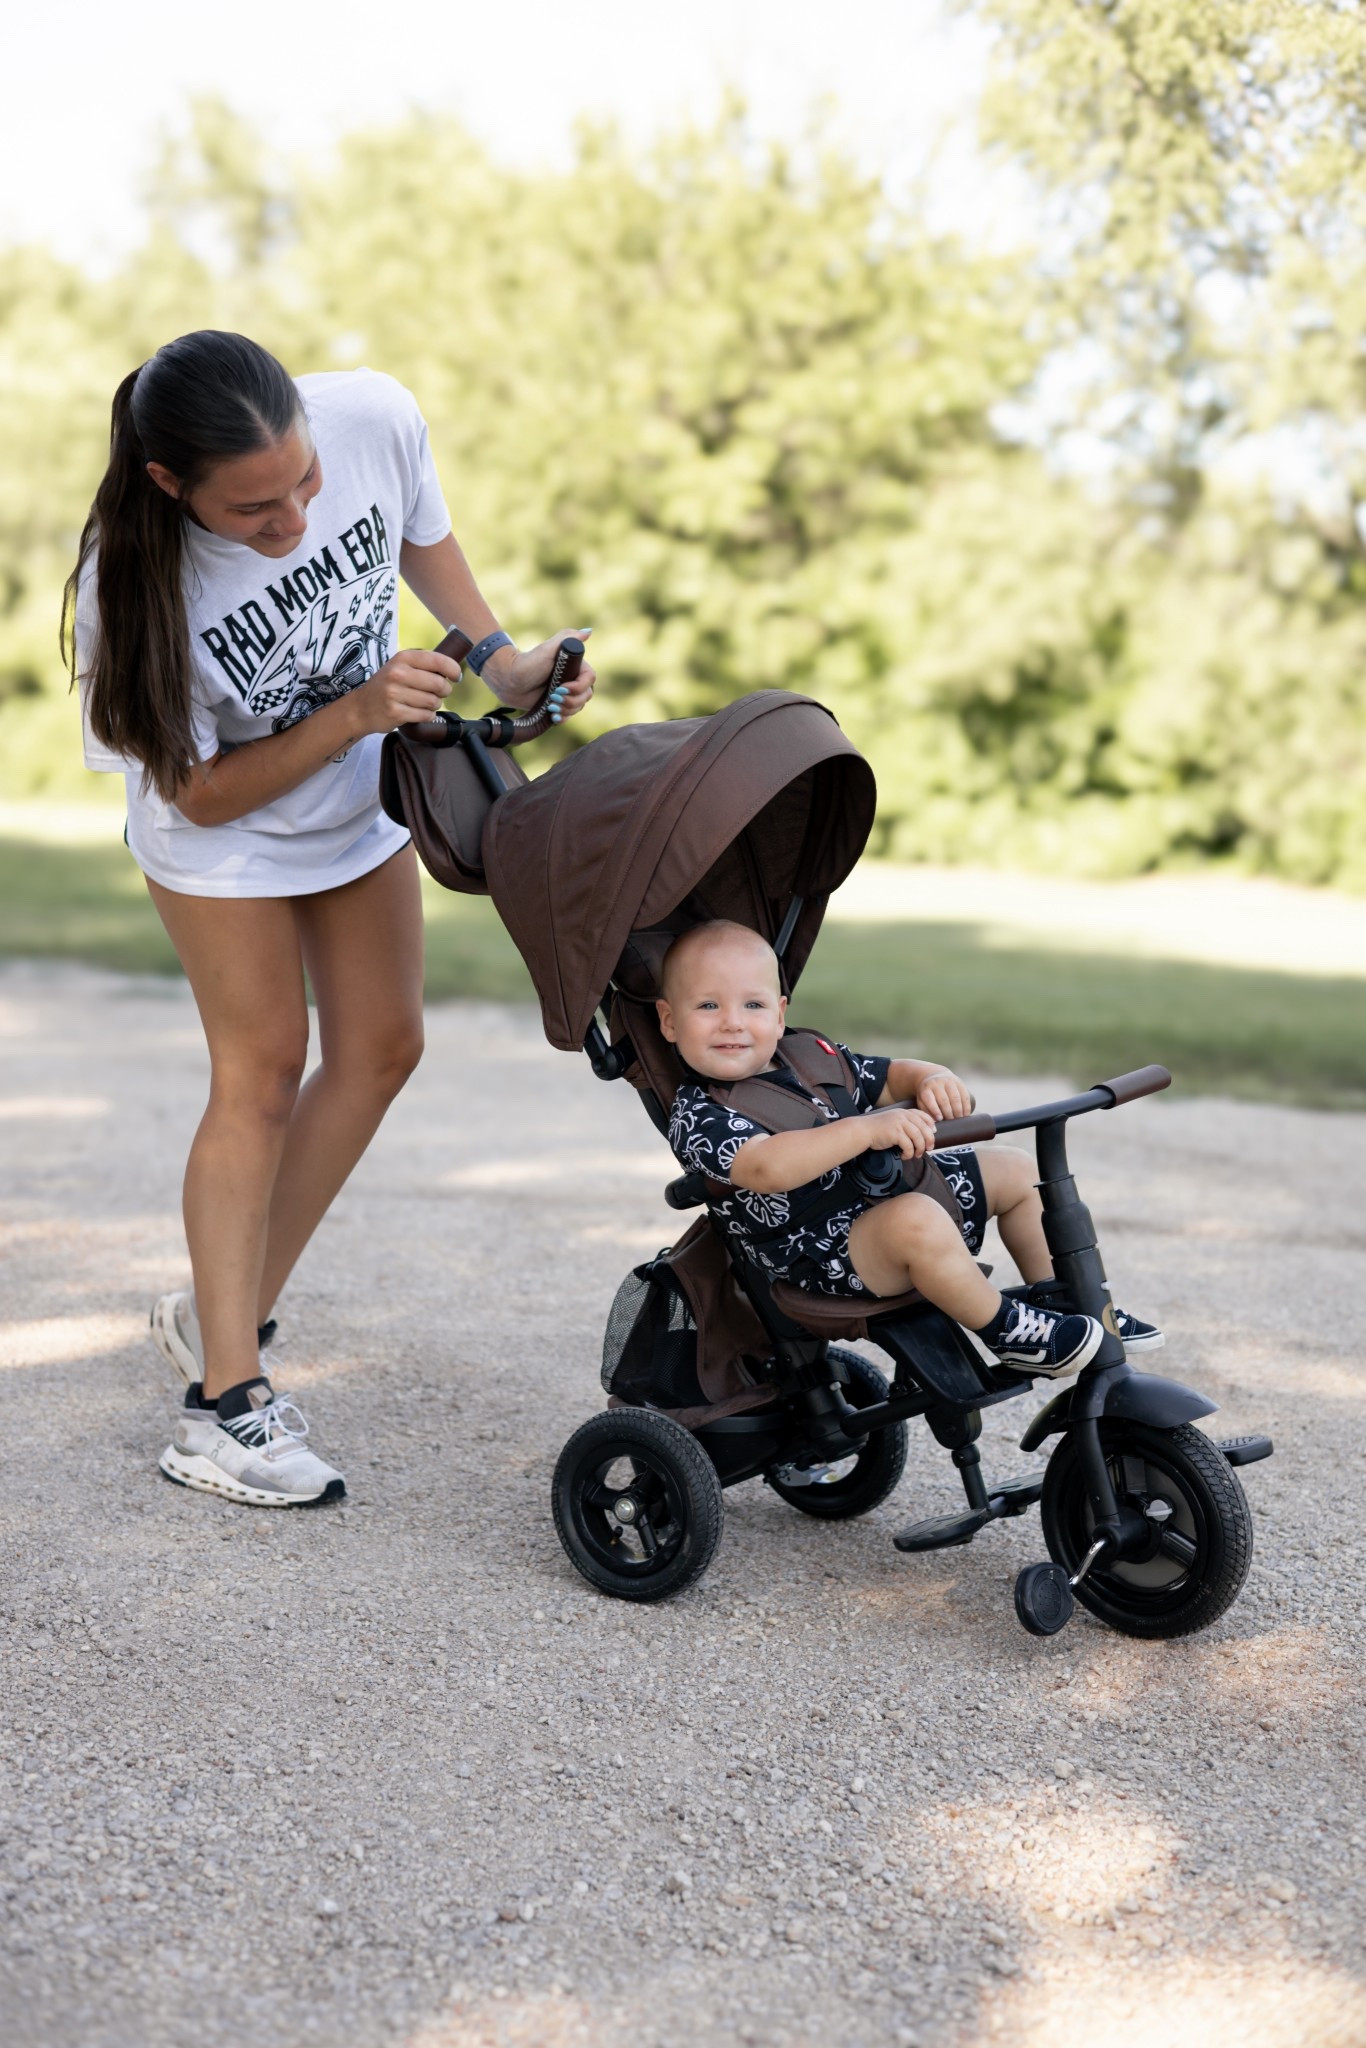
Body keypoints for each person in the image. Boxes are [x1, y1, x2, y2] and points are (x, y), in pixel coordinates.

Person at [65, 329, 596, 1506]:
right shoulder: (127, 583)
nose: (296, 520)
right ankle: (223, 1405)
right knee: (261, 1069)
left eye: (305, 483)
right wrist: (355, 712)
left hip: (356, 797)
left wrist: (502, 660)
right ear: (170, 483)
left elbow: (418, 532)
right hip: (225, 836)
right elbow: (199, 794)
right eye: (254, 512)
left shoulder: (368, 415)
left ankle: (220, 1309)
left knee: (383, 1046)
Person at [656, 921, 1161, 1376]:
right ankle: (1007, 1330)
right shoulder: (698, 1112)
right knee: (915, 1217)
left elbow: (892, 1075)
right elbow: (767, 1168)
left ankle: (1065, 1300)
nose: (732, 1022)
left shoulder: (812, 1056)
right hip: (823, 1254)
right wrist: (865, 1131)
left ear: (780, 1012)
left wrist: (932, 1078)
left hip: (887, 1198)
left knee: (1017, 1171)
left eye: (753, 1004)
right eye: (708, 1006)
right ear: (670, 1020)